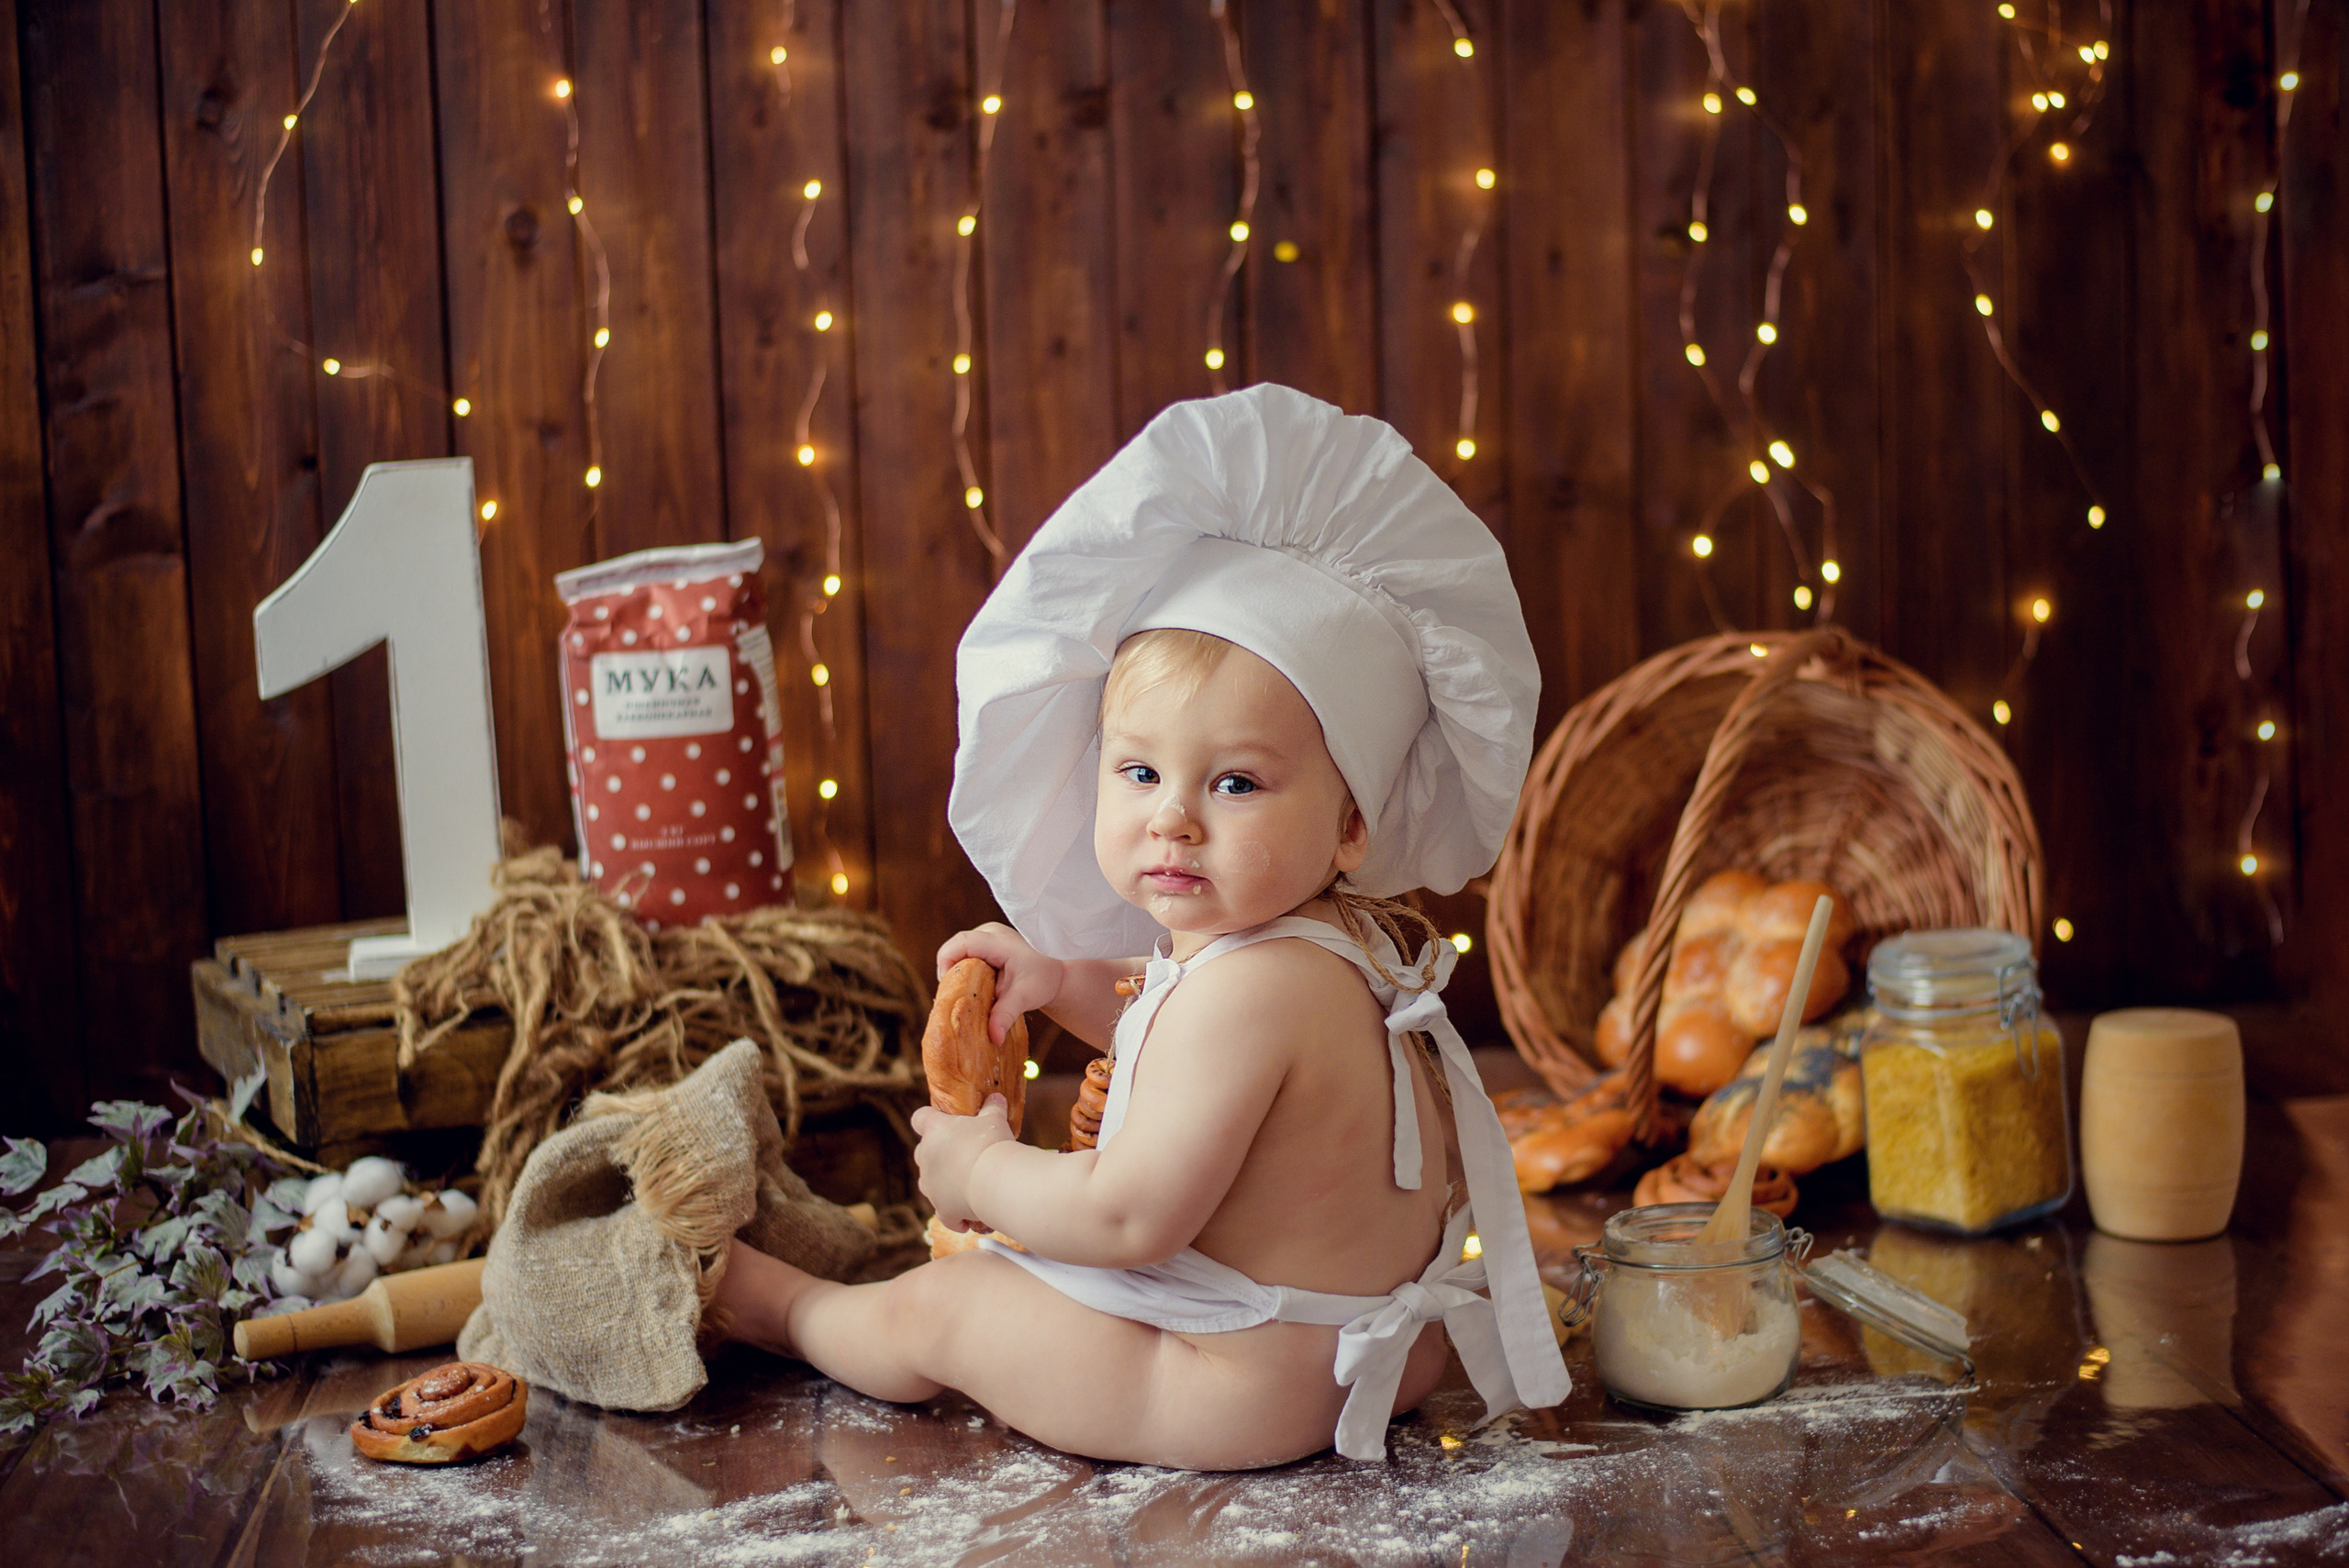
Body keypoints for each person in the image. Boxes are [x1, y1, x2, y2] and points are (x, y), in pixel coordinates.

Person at [714, 384, 1567, 1469]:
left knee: (952, 1302)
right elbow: (1174, 1030)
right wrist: (1061, 977)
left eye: (1238, 781)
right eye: (1141, 769)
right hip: (1361, 1351)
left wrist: (979, 1172)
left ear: (1351, 823)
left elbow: (1125, 1218)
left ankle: (788, 1312)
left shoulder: (1256, 990)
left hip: (1240, 1384)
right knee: (1020, 1283)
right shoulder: (1328, 951)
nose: (1173, 814)